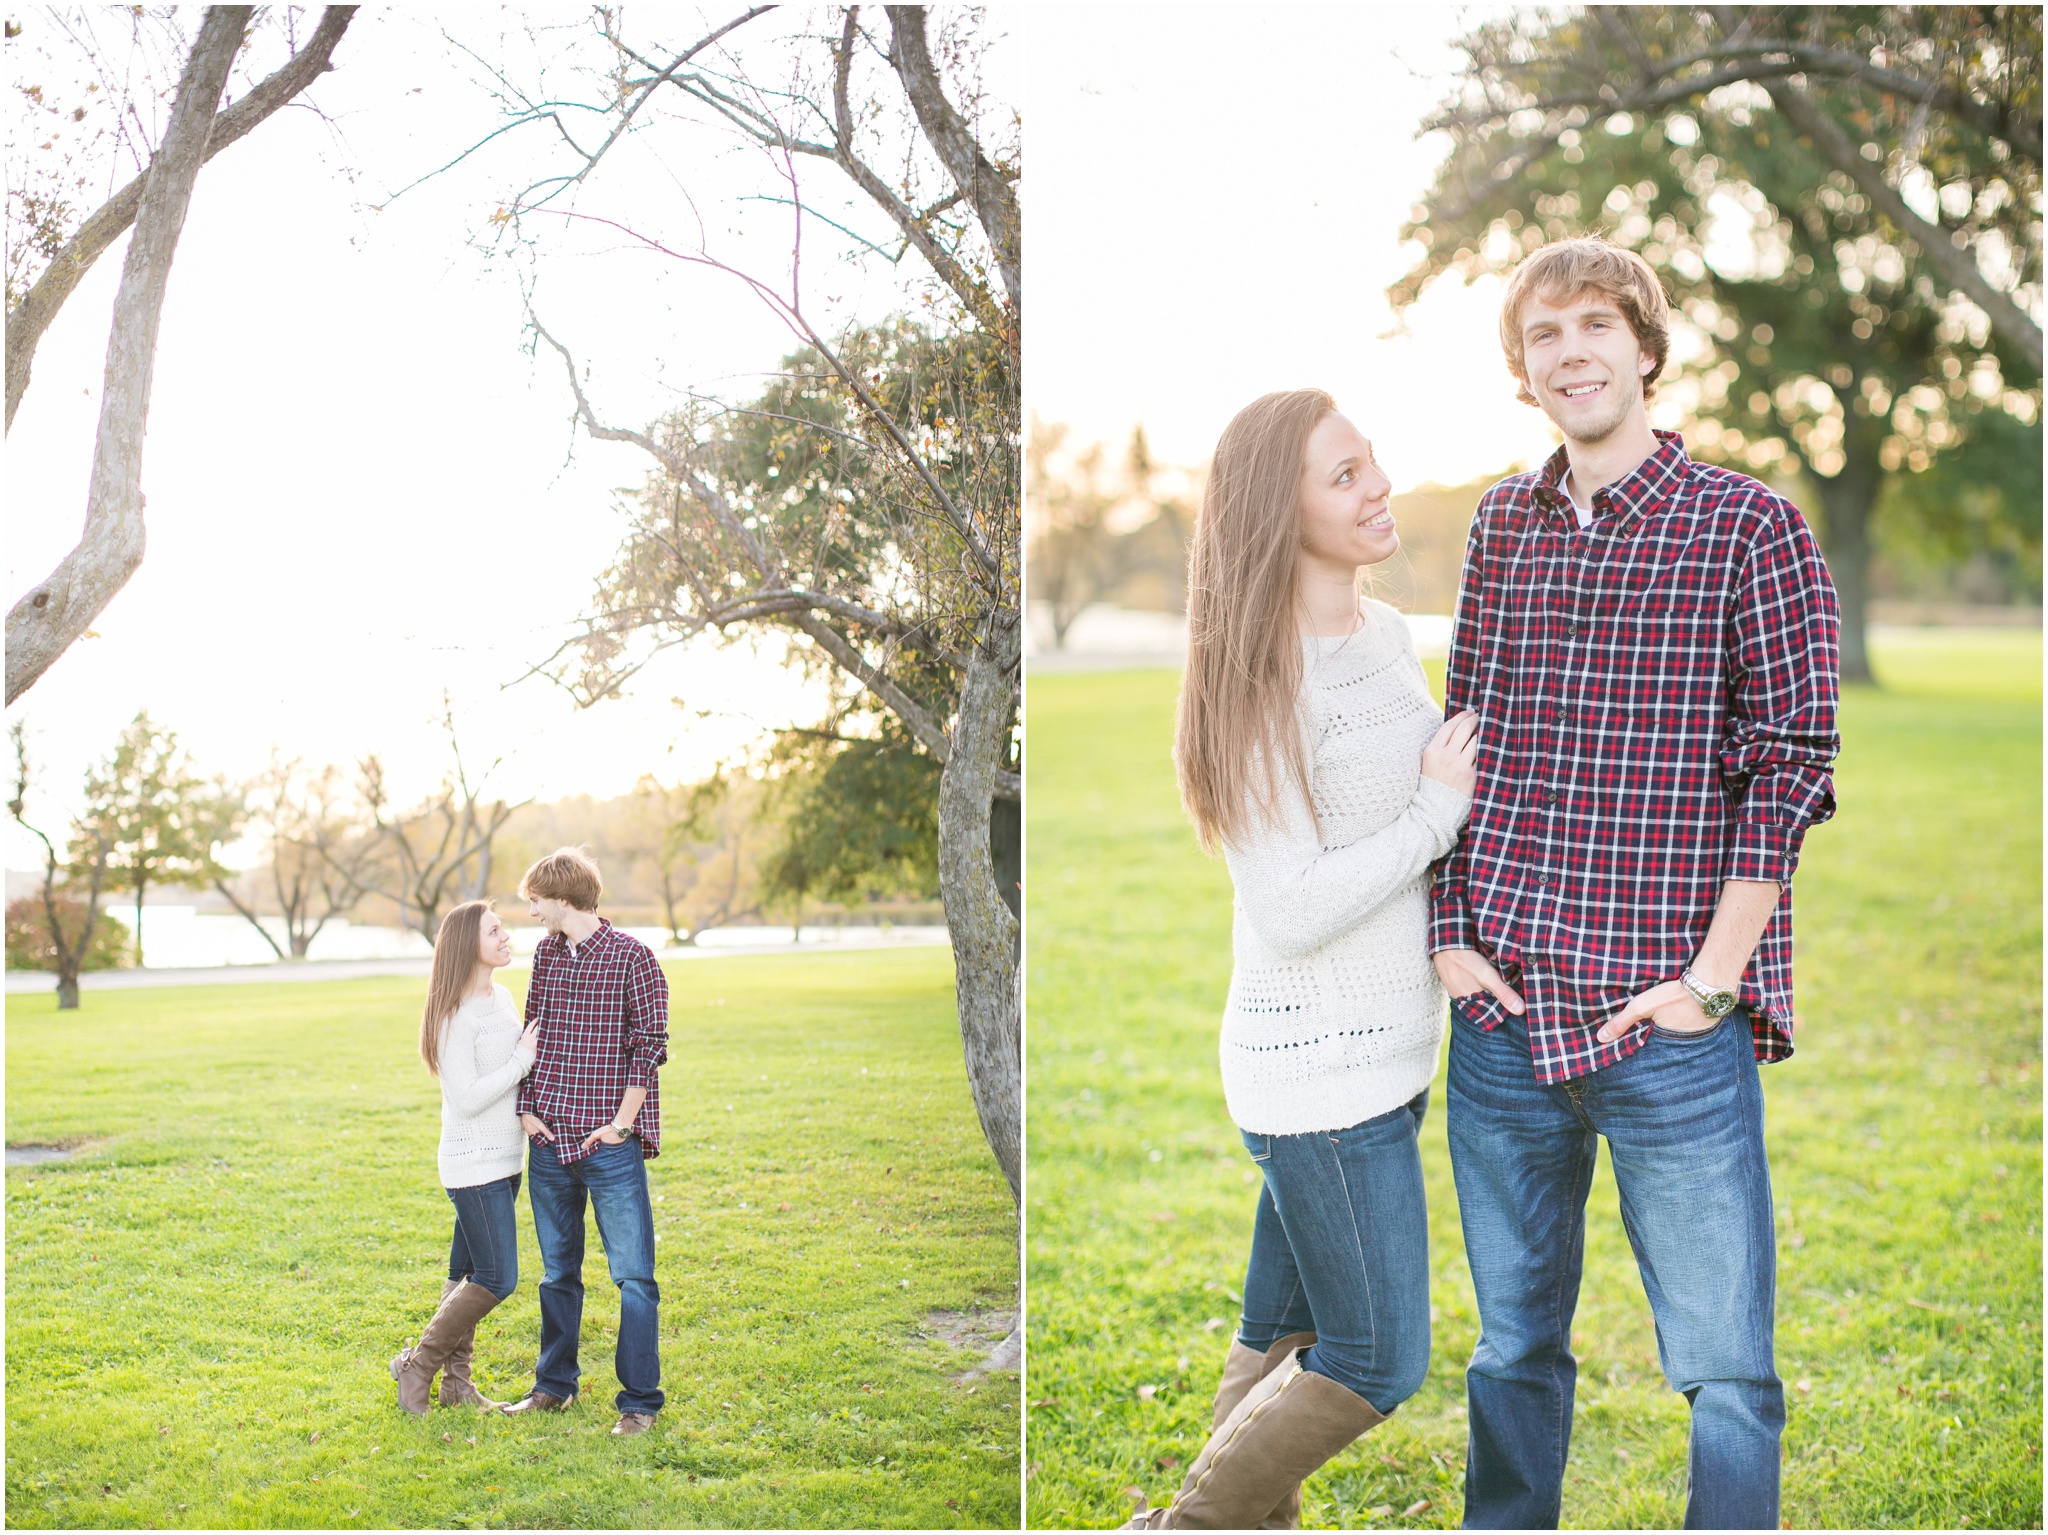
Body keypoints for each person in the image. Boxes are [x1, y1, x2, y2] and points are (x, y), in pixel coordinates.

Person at [1431, 237, 1840, 1530]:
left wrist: (1711, 984)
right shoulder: (1502, 522)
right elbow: (1464, 731)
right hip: (1503, 1018)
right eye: (1543, 336)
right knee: (1509, 1350)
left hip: (1664, 1028)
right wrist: (1451, 934)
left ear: (1645, 347)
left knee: (1726, 1373)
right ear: (1523, 371)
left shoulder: (1751, 526)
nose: (1571, 353)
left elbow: (1790, 771)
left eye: (1594, 325)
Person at [1125, 390, 1480, 1530]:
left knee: (1274, 1331)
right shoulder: (1263, 676)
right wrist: (1433, 817)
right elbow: (1289, 907)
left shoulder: (1383, 634)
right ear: (1276, 511)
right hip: (1318, 1080)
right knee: (1374, 1355)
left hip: (1386, 1055)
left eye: (1369, 459)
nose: (1374, 484)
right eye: (1341, 474)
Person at [501, 847, 671, 1438]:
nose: (531, 914)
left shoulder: (634, 958)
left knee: (633, 1278)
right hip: (549, 1139)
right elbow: (533, 1030)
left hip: (608, 1146)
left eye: (535, 902)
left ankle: (639, 1403)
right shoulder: (547, 955)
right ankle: (553, 1387)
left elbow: (649, 1048)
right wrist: (526, 1110)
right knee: (557, 1274)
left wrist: (621, 1125)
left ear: (564, 897)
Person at [390, 900, 539, 1414]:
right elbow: (469, 1095)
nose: (505, 936)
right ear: (466, 946)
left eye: (503, 928)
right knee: (498, 1277)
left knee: (466, 1272)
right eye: (494, 931)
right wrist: (524, 1059)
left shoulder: (501, 997)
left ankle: (457, 1384)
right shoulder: (453, 1016)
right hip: (472, 1164)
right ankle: (417, 1364)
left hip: (506, 1158)